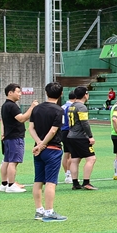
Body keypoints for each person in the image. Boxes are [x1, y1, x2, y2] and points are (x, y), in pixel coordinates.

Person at [29, 82, 67, 222]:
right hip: (52, 149)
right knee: (51, 181)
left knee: (38, 180)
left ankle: (39, 210)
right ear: (61, 93)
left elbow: (31, 128)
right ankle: (49, 211)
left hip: (38, 150)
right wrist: (43, 144)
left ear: (46, 93)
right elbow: (53, 130)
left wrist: (38, 143)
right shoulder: (59, 110)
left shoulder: (36, 109)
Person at [0, 84, 37, 193]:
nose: (20, 94)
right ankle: (11, 185)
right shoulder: (12, 106)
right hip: (14, 137)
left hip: (8, 136)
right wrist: (32, 107)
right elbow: (21, 119)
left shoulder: (5, 105)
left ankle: (4, 183)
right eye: (18, 92)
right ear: (10, 93)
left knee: (7, 160)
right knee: (13, 162)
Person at [64, 86, 97, 190]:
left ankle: (75, 183)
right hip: (80, 137)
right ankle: (86, 182)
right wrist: (90, 136)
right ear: (85, 95)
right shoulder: (81, 107)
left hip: (71, 136)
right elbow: (85, 123)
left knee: (75, 160)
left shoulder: (72, 106)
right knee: (91, 158)